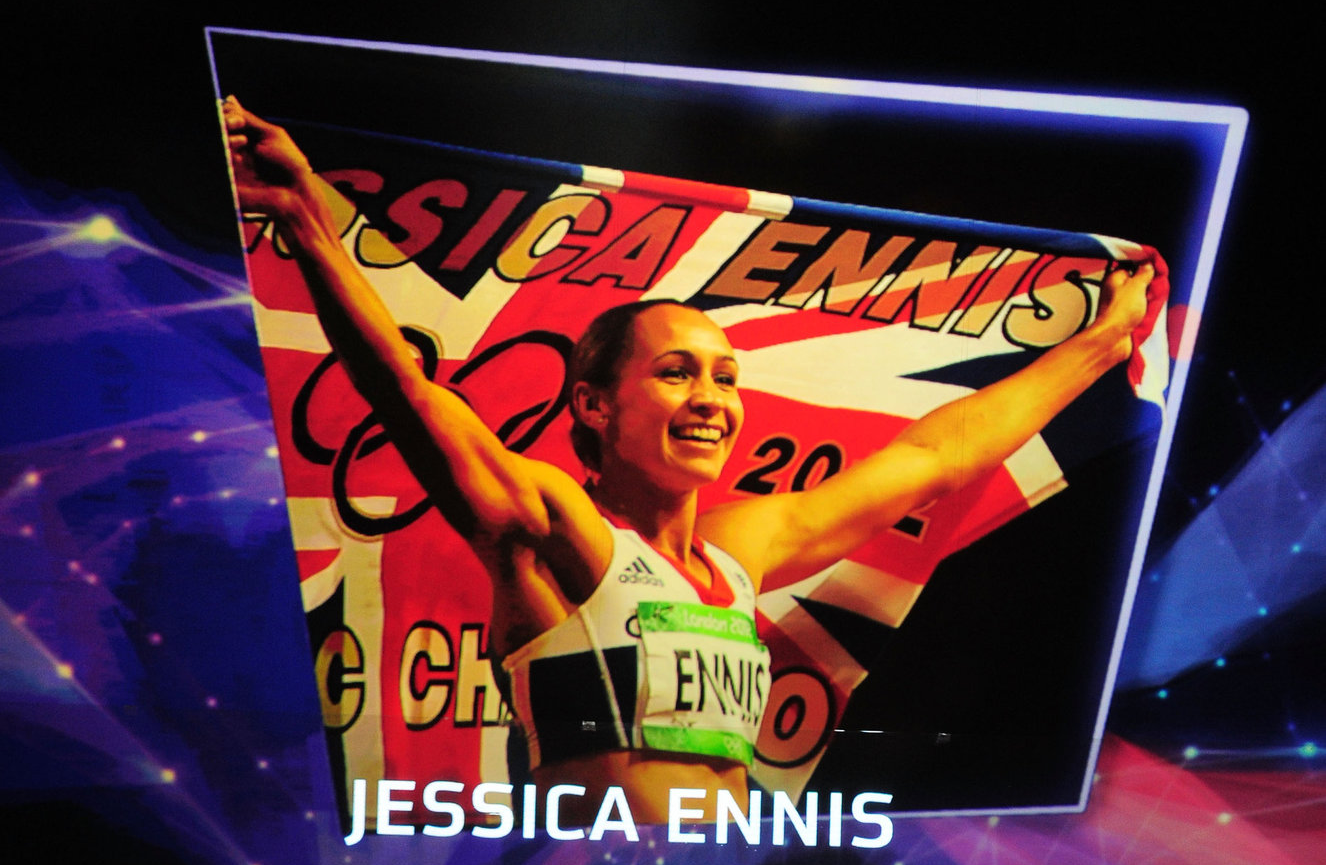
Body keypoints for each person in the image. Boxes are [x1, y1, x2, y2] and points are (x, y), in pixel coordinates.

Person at [222, 98, 1157, 824]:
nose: (712, 398)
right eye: (676, 373)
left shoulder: (737, 557)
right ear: (594, 405)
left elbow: (934, 454)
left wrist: (1101, 344)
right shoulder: (561, 534)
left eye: (725, 377)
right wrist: (306, 221)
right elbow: (411, 397)